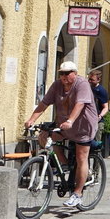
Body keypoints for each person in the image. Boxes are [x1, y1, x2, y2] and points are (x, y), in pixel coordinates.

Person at [24, 60, 98, 209]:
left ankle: (77, 194)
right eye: (61, 73)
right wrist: (31, 120)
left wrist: (70, 120)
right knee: (44, 137)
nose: (64, 76)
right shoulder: (57, 85)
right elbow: (44, 103)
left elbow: (80, 104)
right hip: (64, 125)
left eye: (67, 73)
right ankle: (65, 164)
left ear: (75, 73)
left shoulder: (81, 84)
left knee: (81, 156)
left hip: (83, 126)